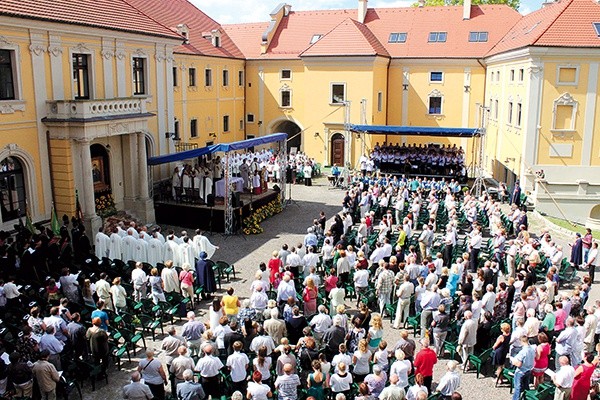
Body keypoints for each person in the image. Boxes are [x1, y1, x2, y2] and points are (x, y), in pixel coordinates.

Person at [509, 336, 535, 400]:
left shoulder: (523, 352)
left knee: (518, 387)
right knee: (526, 386)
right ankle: (526, 398)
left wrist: (513, 361)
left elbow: (519, 364)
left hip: (521, 371)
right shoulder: (532, 349)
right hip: (529, 370)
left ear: (522, 341)